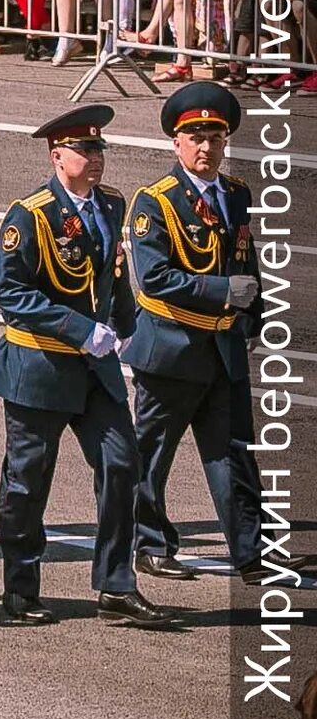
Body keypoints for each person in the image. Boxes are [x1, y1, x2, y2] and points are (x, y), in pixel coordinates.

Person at [0, 104, 169, 628]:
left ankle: (116, 583)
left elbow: (114, 274)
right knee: (27, 480)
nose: (96, 159)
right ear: (57, 154)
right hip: (41, 367)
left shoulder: (110, 206)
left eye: (99, 150)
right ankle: (21, 587)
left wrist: (128, 328)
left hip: (95, 372)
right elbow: (12, 294)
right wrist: (80, 329)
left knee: (122, 464)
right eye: (85, 150)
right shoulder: (31, 214)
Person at [126, 81, 268, 584]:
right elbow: (156, 277)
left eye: (215, 137)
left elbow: (245, 257)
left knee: (233, 455)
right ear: (177, 143)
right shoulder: (155, 201)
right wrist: (224, 291)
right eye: (196, 138)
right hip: (171, 347)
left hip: (223, 347)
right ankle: (150, 544)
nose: (206, 147)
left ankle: (251, 554)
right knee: (152, 457)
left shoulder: (235, 194)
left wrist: (254, 318)